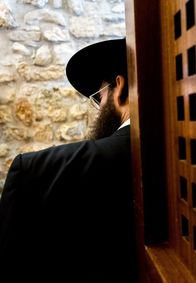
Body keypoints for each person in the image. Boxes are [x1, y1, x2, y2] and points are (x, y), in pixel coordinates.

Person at [0, 38, 137, 282]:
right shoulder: (186, 157)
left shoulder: (33, 173)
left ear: (120, 88)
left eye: (99, 97)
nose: (99, 107)